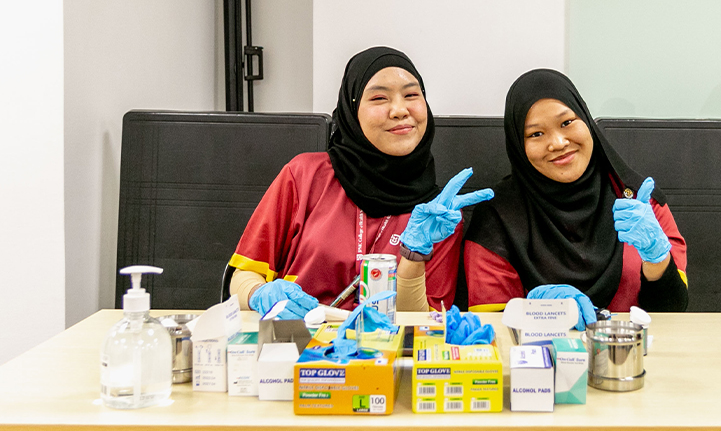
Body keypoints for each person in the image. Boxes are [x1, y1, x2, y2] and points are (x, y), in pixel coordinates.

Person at [229, 46, 492, 317]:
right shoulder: (304, 176)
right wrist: (259, 294)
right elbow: (241, 278)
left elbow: (423, 319)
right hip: (295, 345)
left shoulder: (439, 214)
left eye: (412, 95)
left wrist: (414, 257)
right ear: (352, 110)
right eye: (379, 98)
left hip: (384, 352)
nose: (400, 110)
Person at [465, 69, 687, 313]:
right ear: (519, 145)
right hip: (538, 349)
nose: (558, 143)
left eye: (567, 123)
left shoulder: (640, 202)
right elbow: (492, 326)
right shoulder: (496, 219)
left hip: (628, 349)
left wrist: (657, 259)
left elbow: (673, 313)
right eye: (536, 134)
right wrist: (540, 311)